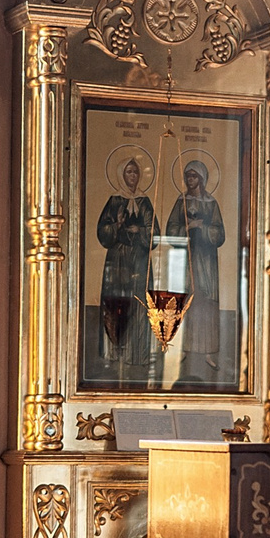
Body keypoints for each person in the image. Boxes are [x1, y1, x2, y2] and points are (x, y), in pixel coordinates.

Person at [94, 155, 159, 378]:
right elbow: (102, 233)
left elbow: (155, 234)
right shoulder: (114, 201)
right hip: (118, 259)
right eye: (129, 172)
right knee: (116, 303)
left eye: (135, 172)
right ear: (122, 175)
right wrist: (118, 225)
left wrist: (140, 232)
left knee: (139, 304)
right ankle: (114, 354)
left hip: (140, 261)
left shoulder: (145, 202)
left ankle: (137, 355)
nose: (132, 176)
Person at [164, 157, 225, 386]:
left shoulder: (212, 203)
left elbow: (220, 234)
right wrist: (187, 227)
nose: (190, 180)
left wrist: (203, 227)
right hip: (187, 259)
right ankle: (185, 349)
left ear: (202, 179)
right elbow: (171, 230)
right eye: (187, 176)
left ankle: (209, 353)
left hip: (207, 261)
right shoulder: (181, 202)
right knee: (187, 301)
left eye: (194, 176)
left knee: (207, 302)